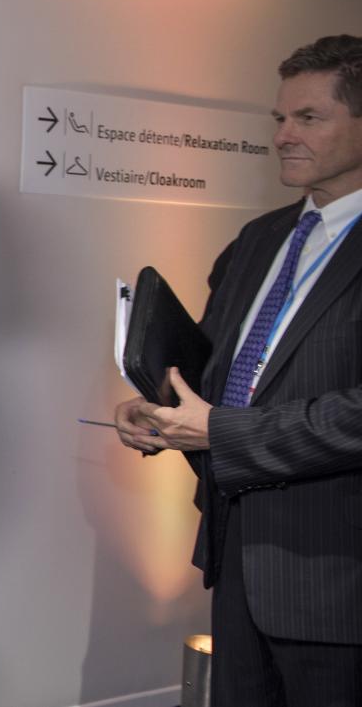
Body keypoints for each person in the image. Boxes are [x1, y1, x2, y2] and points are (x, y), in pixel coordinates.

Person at [115, 34, 362, 705]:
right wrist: (159, 409)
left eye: (308, 118)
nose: (282, 135)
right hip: (238, 567)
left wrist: (220, 431)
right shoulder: (260, 239)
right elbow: (219, 373)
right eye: (278, 119)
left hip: (341, 586)